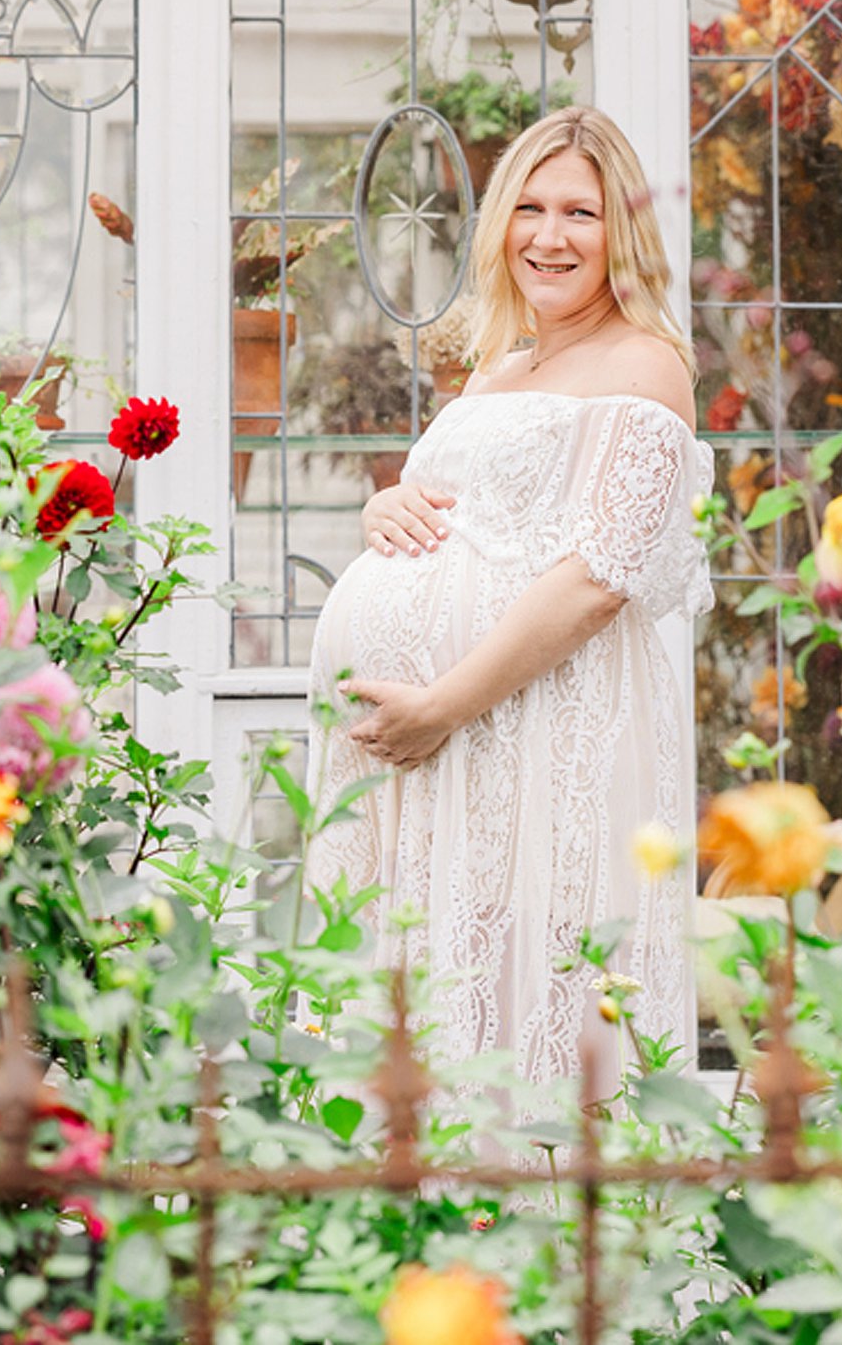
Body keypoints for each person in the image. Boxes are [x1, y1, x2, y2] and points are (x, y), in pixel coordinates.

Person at [304, 105, 713, 1093]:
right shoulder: (496, 370)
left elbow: (594, 579)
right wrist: (389, 509)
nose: (548, 235)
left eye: (579, 212)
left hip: (533, 732)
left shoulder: (643, 363)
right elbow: (471, 514)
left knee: (529, 996)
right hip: (439, 754)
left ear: (620, 231)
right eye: (526, 208)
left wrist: (441, 706)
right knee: (426, 990)